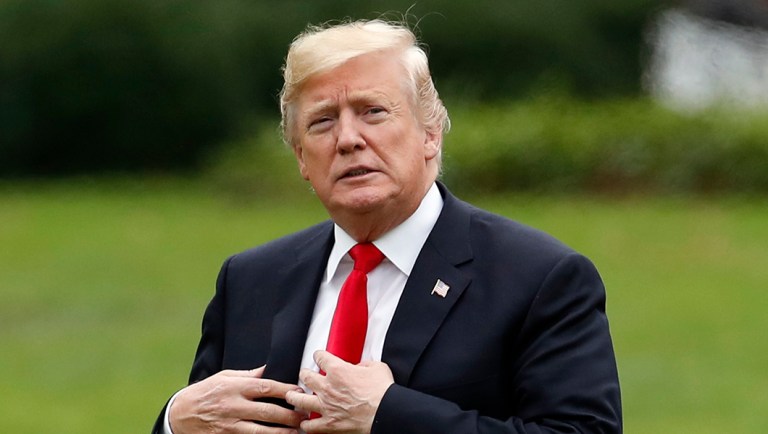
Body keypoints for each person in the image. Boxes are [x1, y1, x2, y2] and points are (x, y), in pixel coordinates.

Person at [152, 19, 622, 434]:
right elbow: (210, 418)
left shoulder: (539, 278)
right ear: (301, 158)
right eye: (322, 122)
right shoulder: (250, 280)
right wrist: (174, 422)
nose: (349, 140)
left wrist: (389, 415)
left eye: (373, 112)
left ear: (430, 133)